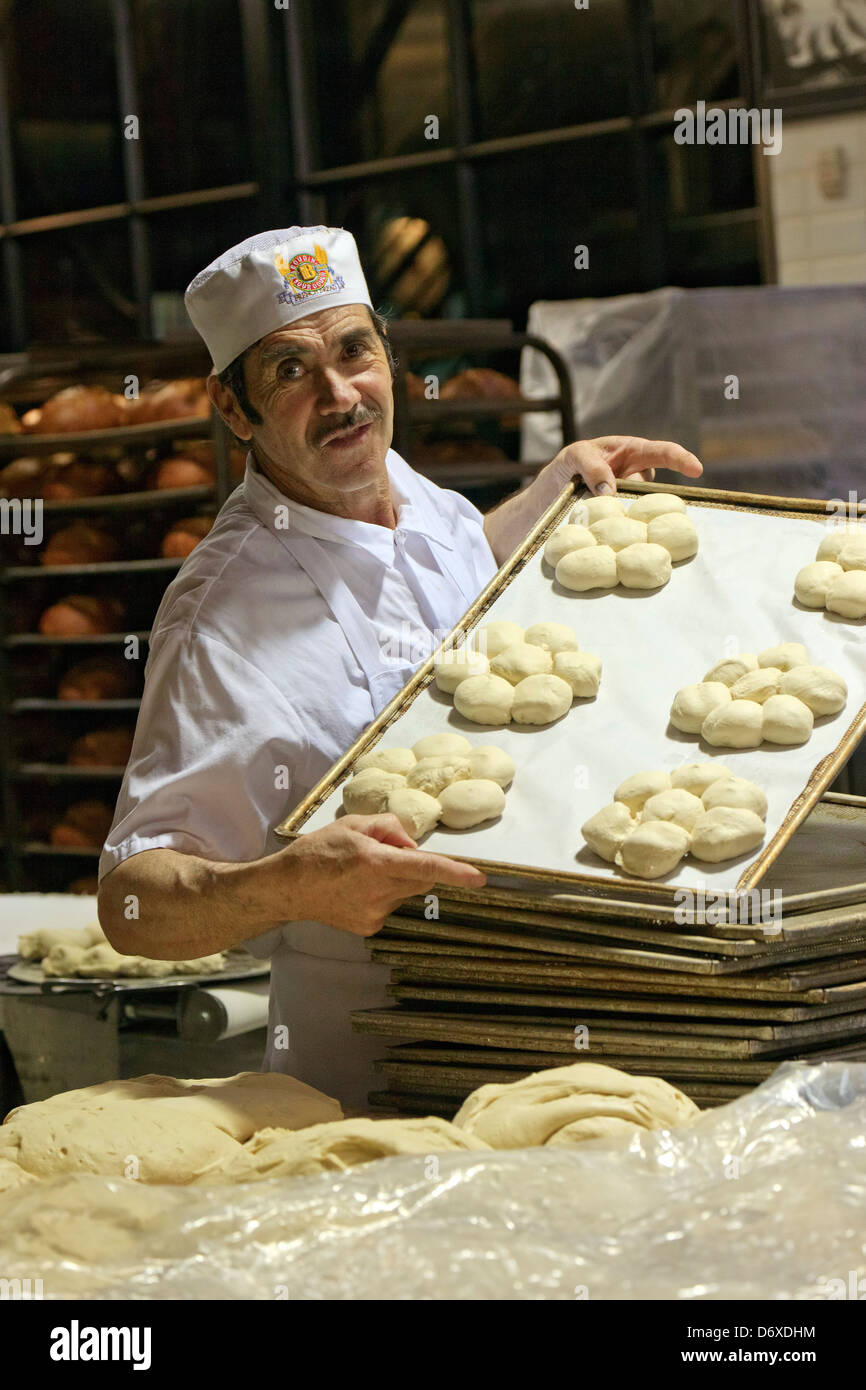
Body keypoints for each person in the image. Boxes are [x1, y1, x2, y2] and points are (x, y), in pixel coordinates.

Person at [98, 225, 702, 1107]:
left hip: (537, 1008)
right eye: (291, 372)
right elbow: (130, 905)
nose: (342, 396)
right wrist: (290, 883)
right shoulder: (220, 618)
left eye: (355, 351)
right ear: (235, 411)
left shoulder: (411, 492)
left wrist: (548, 495)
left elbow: (445, 586)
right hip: (371, 1069)